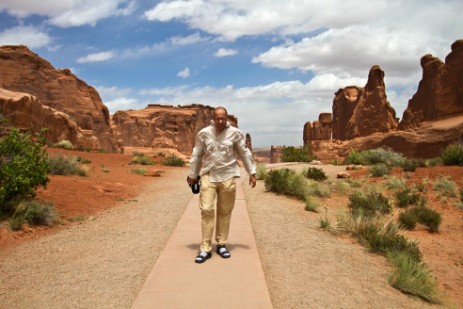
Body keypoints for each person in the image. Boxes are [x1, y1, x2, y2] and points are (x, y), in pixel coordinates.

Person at [187, 106, 257, 264]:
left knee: (225, 211)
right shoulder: (204, 133)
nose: (220, 121)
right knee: (206, 209)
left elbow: (244, 152)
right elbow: (197, 154)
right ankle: (205, 248)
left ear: (226, 118)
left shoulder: (235, 134)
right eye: (217, 118)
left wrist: (251, 173)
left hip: (228, 176)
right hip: (208, 175)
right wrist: (192, 175)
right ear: (212, 118)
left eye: (223, 118)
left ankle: (221, 243)